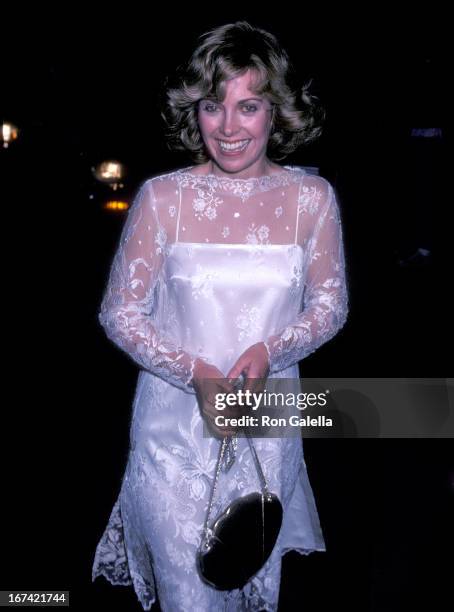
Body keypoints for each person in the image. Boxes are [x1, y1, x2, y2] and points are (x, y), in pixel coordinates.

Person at [91, 21, 349, 611]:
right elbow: (120, 313)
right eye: (214, 106)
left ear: (276, 113)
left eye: (248, 106)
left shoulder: (313, 199)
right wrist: (195, 371)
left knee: (243, 580)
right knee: (190, 597)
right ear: (195, 112)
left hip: (266, 423)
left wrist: (270, 351)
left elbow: (330, 306)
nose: (228, 128)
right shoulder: (161, 197)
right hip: (171, 432)